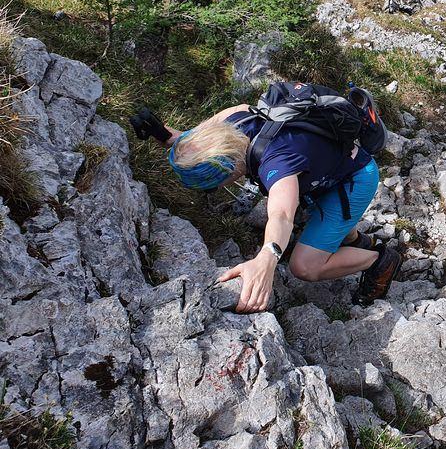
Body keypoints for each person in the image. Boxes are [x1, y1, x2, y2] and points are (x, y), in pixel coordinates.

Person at [143, 102, 401, 313]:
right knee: (331, 225)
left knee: (304, 266)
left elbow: (282, 215)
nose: (217, 190)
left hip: (353, 180)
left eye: (213, 185)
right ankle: (356, 241)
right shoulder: (234, 120)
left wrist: (266, 259)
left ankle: (379, 261)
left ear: (230, 169)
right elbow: (199, 140)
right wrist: (164, 135)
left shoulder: (278, 164)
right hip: (328, 169)